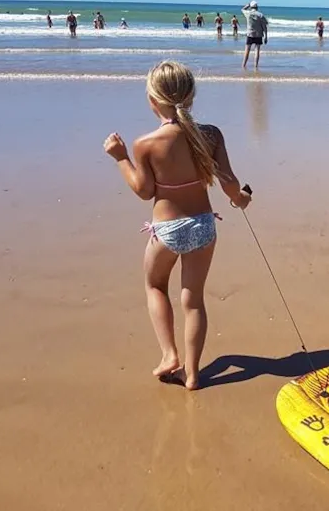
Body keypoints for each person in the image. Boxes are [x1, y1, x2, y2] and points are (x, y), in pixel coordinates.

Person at [103, 61, 252, 391]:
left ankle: (170, 355)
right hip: (204, 226)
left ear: (152, 101)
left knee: (156, 285)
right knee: (194, 300)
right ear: (192, 97)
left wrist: (121, 157)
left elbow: (144, 191)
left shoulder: (146, 144)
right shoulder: (210, 134)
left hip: (167, 231)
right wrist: (242, 199)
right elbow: (230, 184)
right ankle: (193, 374)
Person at [241, 0, 268, 69]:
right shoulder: (260, 15)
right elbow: (265, 26)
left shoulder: (248, 13)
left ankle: (243, 65)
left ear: (251, 7)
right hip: (259, 34)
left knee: (247, 50)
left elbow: (242, 9)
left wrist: (248, 4)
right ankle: (255, 66)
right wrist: (266, 36)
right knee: (257, 51)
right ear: (257, 7)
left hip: (250, 34)